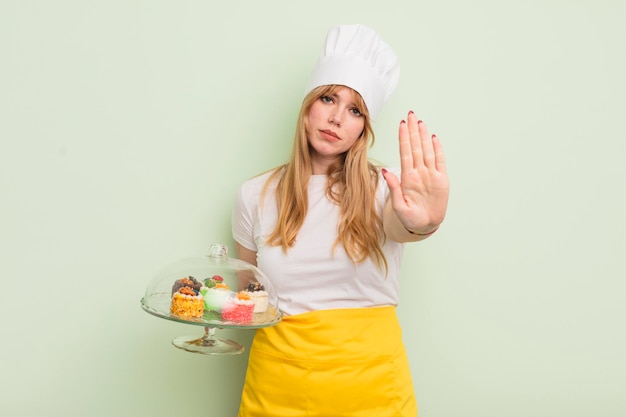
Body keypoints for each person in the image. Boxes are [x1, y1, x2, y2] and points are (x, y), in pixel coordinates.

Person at [232, 24, 449, 417]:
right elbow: (250, 296)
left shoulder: (386, 190)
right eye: (328, 99)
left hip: (374, 390)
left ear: (364, 128)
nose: (336, 118)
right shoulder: (254, 195)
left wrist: (424, 222)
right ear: (308, 105)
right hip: (279, 388)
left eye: (354, 110)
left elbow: (405, 226)